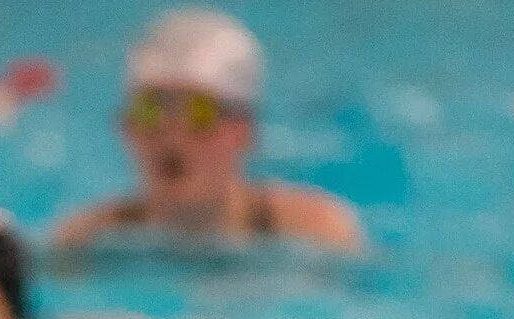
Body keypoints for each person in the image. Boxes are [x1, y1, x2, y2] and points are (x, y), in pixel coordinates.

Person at [53, 7, 363, 254]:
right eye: (150, 109)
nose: (171, 135)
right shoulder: (83, 244)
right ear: (126, 128)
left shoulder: (318, 232)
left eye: (198, 112)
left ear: (245, 131)